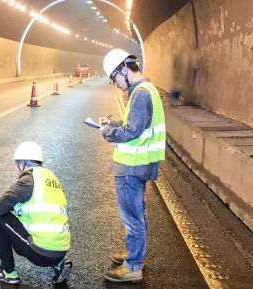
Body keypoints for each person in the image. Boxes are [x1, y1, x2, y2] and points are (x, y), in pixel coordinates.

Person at [99, 49, 166, 283]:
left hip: (131, 167)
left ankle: (133, 266)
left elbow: (132, 131)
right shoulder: (146, 90)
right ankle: (135, 255)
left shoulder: (139, 94)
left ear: (124, 70)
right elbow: (136, 124)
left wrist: (109, 131)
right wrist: (114, 122)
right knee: (138, 214)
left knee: (132, 217)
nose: (115, 84)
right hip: (139, 165)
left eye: (114, 78)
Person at [0, 141, 72, 285]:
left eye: (16, 163)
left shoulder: (28, 180)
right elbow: (39, 211)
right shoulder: (51, 179)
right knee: (18, 230)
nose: (16, 167)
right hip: (61, 250)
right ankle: (59, 264)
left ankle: (8, 272)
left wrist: (2, 235)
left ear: (22, 163)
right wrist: (2, 237)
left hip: (41, 253)